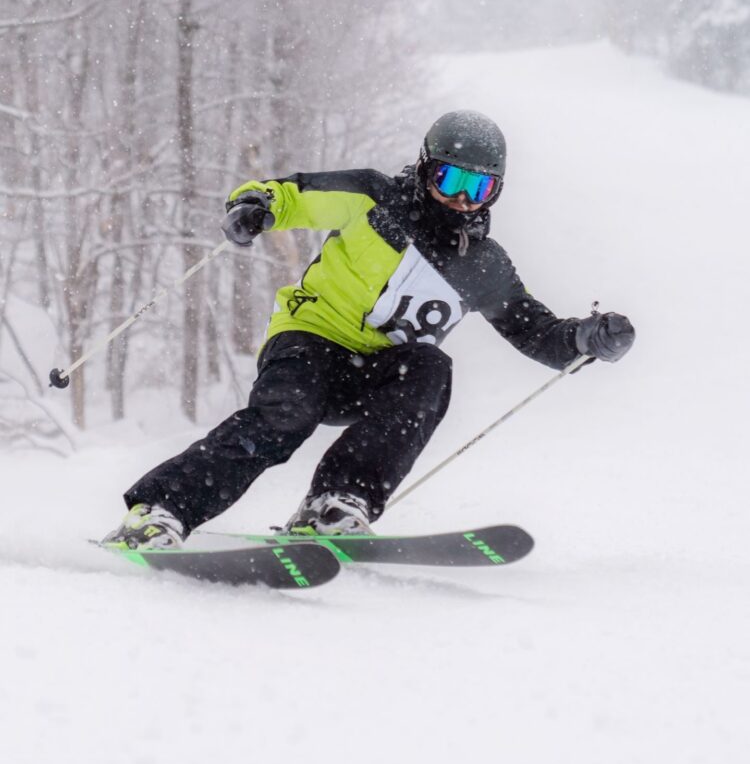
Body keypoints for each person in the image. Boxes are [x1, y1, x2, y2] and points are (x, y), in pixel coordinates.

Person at [104, 110, 634, 549]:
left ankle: (334, 505)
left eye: (481, 187)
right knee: (286, 417)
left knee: (432, 368)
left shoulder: (484, 267)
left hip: (377, 375)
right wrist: (255, 207)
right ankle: (160, 510)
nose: (463, 199)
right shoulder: (374, 199)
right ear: (426, 170)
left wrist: (587, 340)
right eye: (450, 180)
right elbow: (291, 195)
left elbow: (535, 331)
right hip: (310, 340)